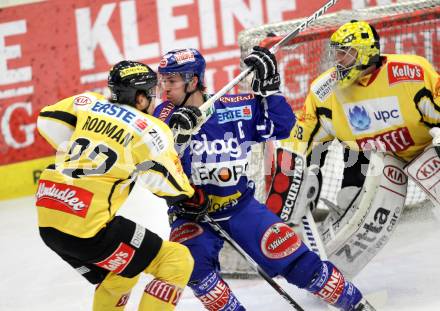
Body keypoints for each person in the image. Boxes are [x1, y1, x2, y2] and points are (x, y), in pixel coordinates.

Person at [153, 47, 375, 310]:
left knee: (301, 265)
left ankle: (357, 305)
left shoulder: (235, 108)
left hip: (239, 207)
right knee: (193, 267)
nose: (164, 89)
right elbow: (151, 173)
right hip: (191, 215)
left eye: (172, 81)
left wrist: (270, 90)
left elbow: (283, 126)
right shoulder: (160, 119)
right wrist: (177, 145)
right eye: (163, 81)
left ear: (192, 81)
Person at [266, 20, 440, 275]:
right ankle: (326, 276)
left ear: (366, 52)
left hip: (422, 148)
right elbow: (299, 143)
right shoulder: (324, 91)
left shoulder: (412, 73)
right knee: (351, 206)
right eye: (335, 53)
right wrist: (292, 189)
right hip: (369, 157)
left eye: (345, 53)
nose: (337, 60)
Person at [35, 60, 206, 310]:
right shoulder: (150, 127)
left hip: (50, 217)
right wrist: (191, 193)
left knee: (122, 274)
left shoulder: (88, 102)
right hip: (88, 230)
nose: (153, 100)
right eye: (149, 94)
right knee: (176, 261)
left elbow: (46, 122)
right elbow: (171, 187)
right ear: (139, 98)